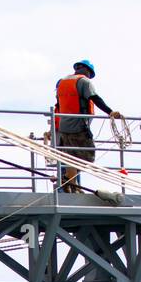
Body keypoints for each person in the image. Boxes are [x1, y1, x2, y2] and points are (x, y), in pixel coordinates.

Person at [53, 60, 124, 193]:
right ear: (87, 71)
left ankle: (71, 186)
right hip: (78, 126)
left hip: (63, 126)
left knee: (70, 157)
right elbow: (95, 98)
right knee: (87, 156)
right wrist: (110, 112)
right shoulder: (84, 82)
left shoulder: (62, 82)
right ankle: (67, 179)